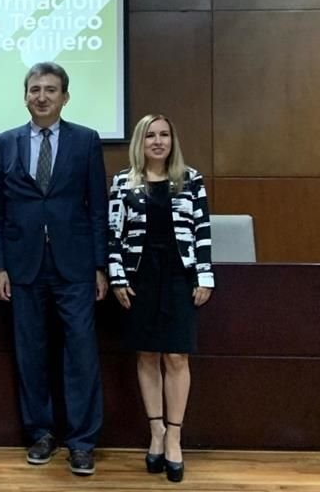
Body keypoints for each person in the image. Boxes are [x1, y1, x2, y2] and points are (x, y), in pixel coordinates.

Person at [0, 62, 108, 476]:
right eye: (34, 89)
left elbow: (97, 210)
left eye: (50, 90)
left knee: (81, 355)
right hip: (22, 268)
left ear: (65, 97)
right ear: (25, 96)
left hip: (75, 268)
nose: (41, 96)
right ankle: (40, 433)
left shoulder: (87, 141)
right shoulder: (6, 143)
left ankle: (81, 442)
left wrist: (100, 265)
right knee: (31, 354)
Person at [108, 114, 214, 484]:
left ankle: (175, 436)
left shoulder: (191, 179)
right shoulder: (123, 181)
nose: (158, 141)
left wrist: (205, 276)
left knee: (176, 354)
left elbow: (202, 230)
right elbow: (113, 237)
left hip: (179, 276)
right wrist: (118, 278)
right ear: (141, 141)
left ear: (172, 140)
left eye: (164, 134)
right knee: (148, 353)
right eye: (150, 135)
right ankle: (155, 430)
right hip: (140, 277)